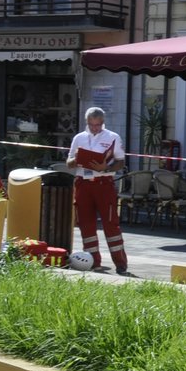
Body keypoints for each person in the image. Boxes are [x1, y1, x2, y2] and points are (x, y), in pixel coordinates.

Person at [66, 107, 128, 274]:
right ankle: (93, 262)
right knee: (86, 225)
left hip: (103, 184)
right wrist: (77, 159)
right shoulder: (79, 138)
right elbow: (69, 162)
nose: (95, 128)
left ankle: (121, 264)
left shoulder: (112, 137)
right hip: (83, 184)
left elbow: (121, 162)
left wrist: (105, 167)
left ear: (103, 122)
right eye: (91, 125)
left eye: (98, 125)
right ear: (87, 123)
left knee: (110, 224)